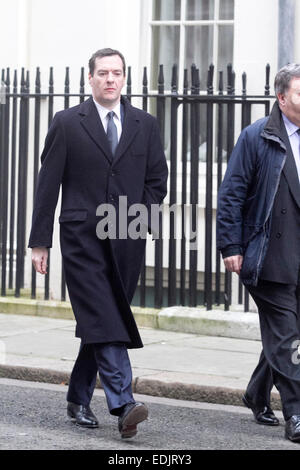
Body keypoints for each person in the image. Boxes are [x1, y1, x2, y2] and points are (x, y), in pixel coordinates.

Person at [28, 48, 168, 439]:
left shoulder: (146, 124)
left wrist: (136, 220)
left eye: (117, 73)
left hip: (126, 238)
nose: (110, 79)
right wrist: (40, 242)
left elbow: (157, 181)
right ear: (89, 78)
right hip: (81, 240)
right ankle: (124, 403)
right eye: (103, 73)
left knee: (102, 318)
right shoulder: (68, 122)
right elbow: (47, 185)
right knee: (105, 315)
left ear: (125, 79)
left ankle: (77, 396)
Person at [217, 63, 300, 443]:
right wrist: (231, 246)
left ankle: (256, 391)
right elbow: (232, 193)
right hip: (269, 254)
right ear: (281, 98)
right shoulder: (257, 137)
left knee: (287, 334)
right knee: (286, 336)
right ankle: (296, 412)